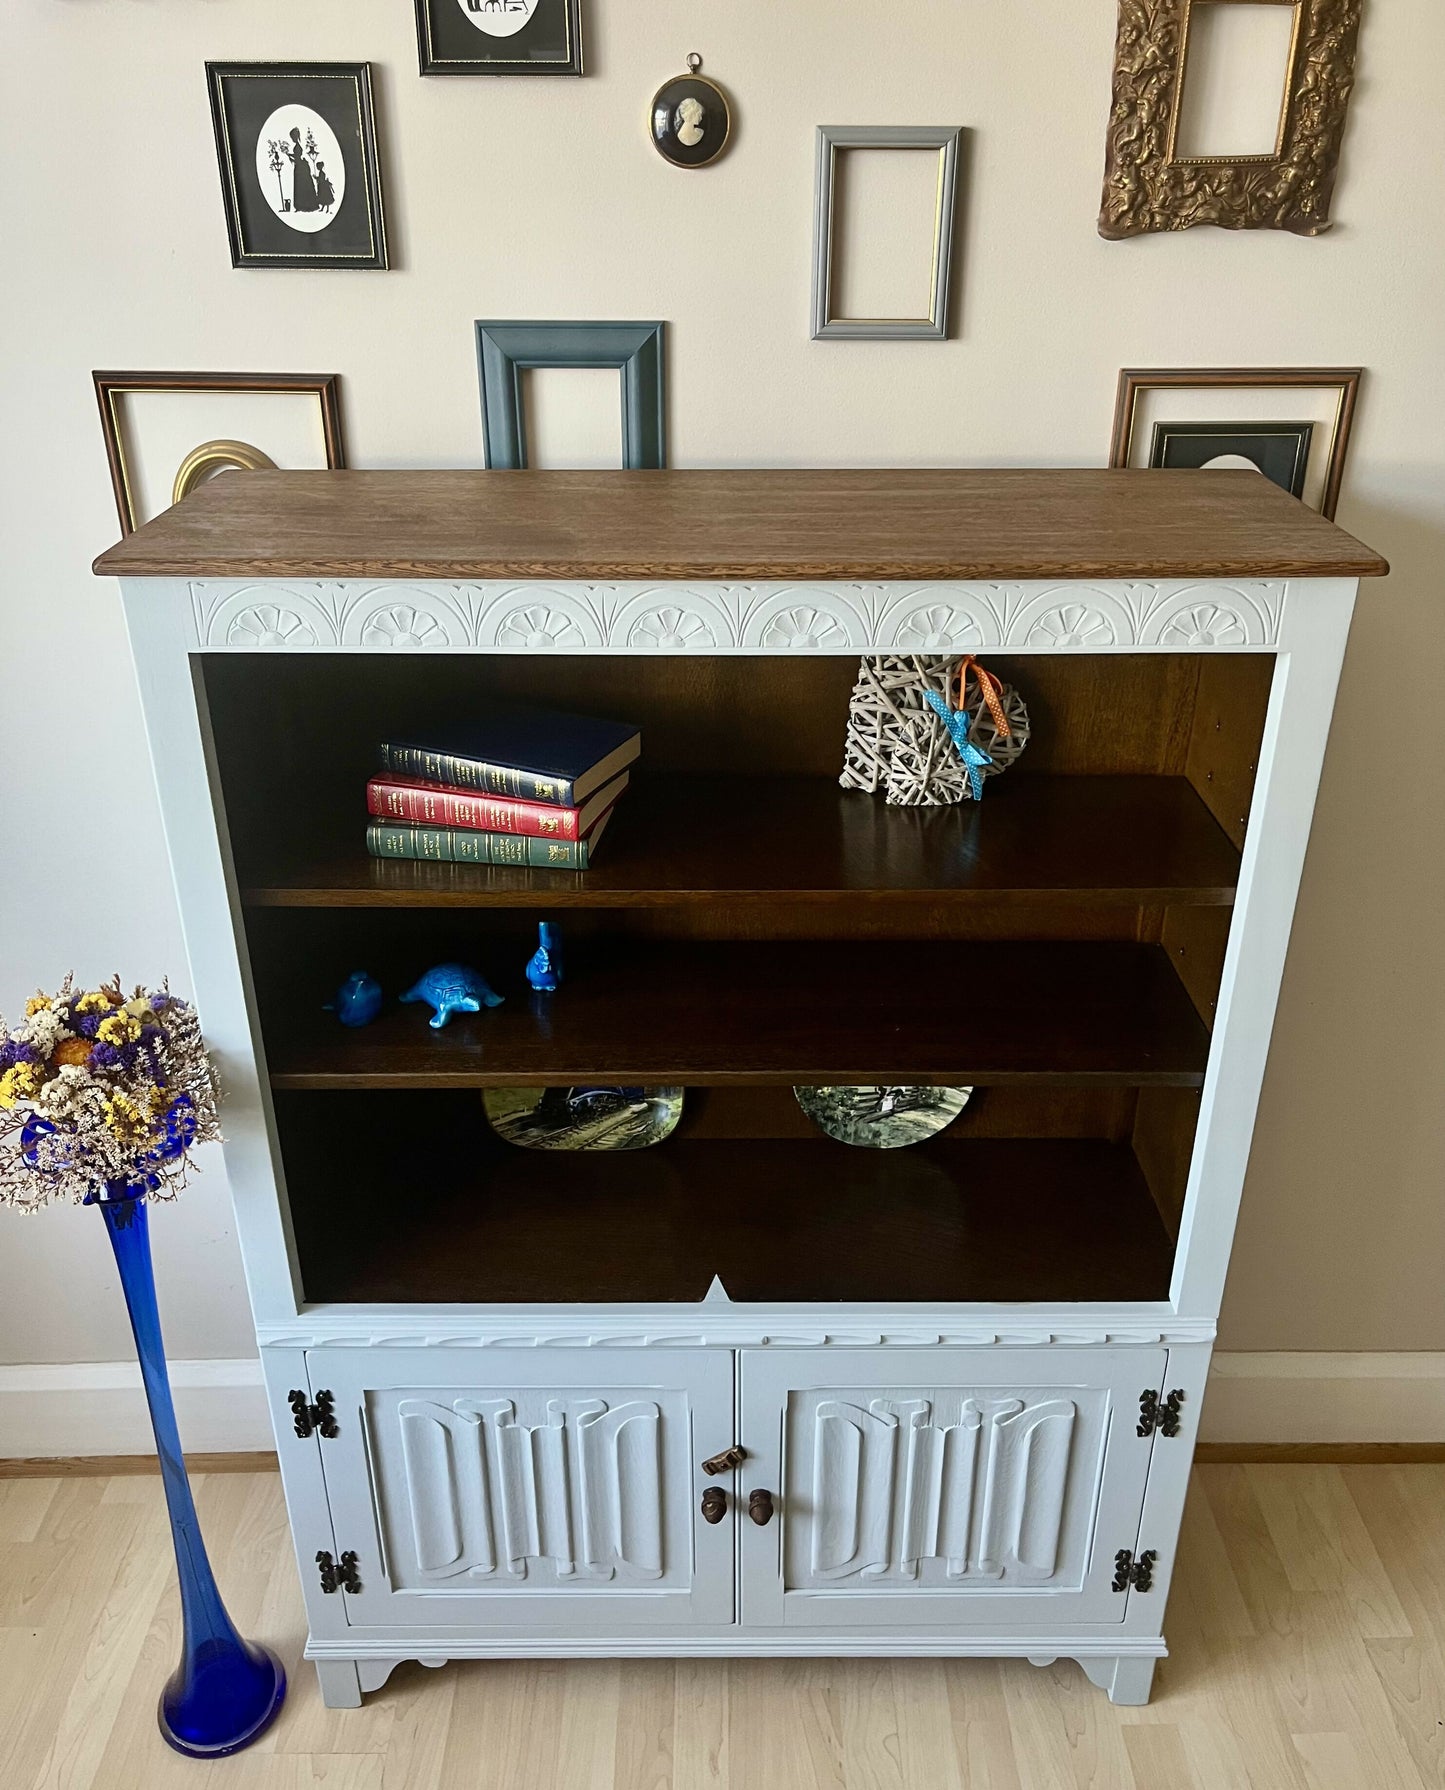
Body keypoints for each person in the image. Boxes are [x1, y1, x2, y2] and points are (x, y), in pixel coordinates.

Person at [286, 127, 318, 213]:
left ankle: (302, 205)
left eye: (292, 137)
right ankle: (301, 205)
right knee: (300, 185)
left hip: (300, 167)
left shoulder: (298, 146)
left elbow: (297, 157)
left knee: (301, 185)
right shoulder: (297, 146)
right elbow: (297, 156)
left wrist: (290, 156)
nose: (292, 139)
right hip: (299, 166)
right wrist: (290, 155)